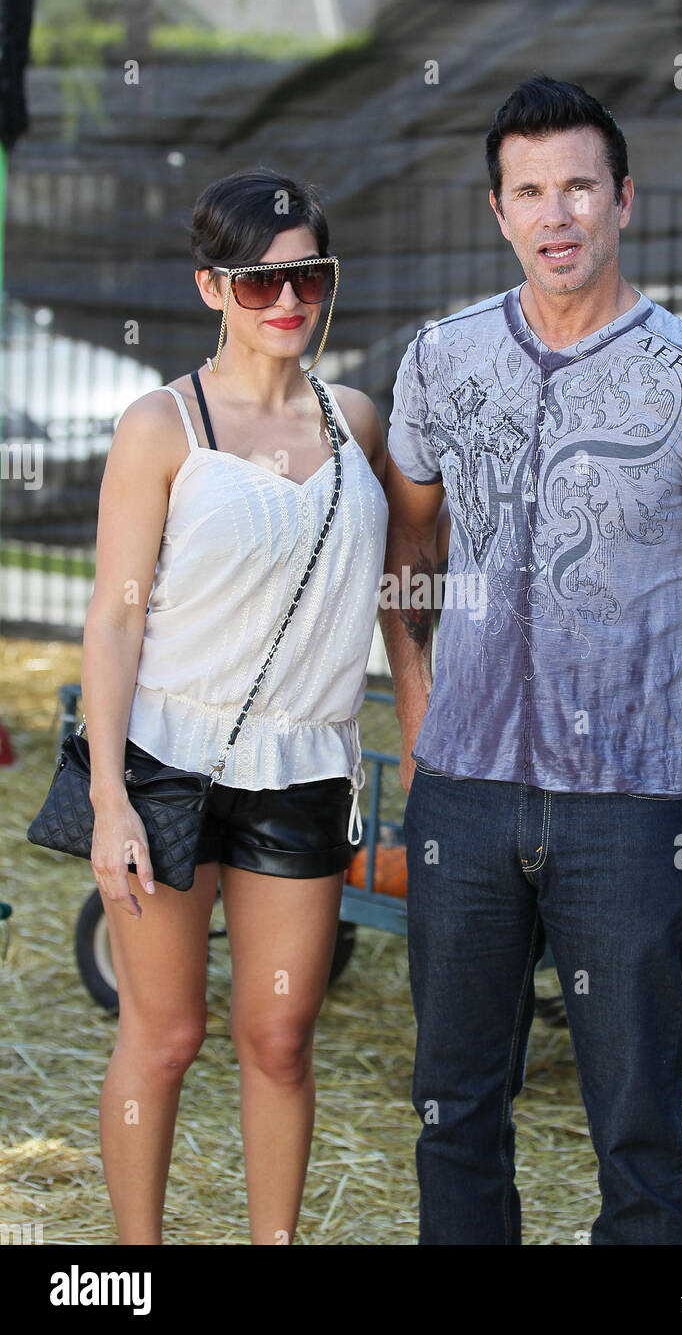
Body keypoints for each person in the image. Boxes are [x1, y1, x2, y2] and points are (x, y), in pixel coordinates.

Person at [380, 76, 682, 1245]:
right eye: (530, 191)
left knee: (639, 1139)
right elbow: (403, 547)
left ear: (623, 200)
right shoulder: (439, 360)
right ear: (497, 210)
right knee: (451, 1114)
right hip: (463, 797)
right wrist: (417, 710)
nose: (556, 216)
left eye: (579, 188)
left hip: (631, 808)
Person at [82, 168, 387, 1245]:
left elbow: (406, 587)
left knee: (279, 1037)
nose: (287, 302)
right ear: (210, 286)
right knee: (164, 1036)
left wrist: (430, 718)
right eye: (259, 283)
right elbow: (116, 619)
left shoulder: (356, 422)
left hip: (302, 772)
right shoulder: (161, 424)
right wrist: (110, 796)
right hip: (167, 763)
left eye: (305, 275)